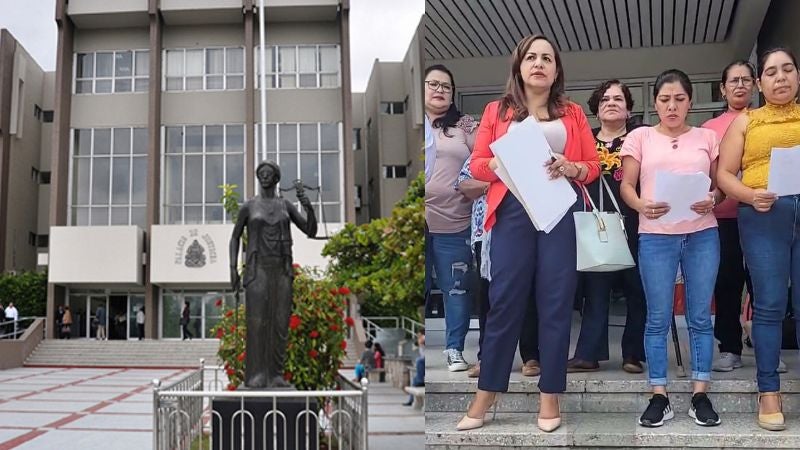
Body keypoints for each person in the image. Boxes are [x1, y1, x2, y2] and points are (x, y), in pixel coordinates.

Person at [462, 34, 600, 433]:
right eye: (531, 57)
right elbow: (477, 163)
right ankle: (487, 391)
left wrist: (571, 166)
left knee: (556, 301)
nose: (539, 63)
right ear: (519, 66)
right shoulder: (497, 110)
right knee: (504, 301)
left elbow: (592, 166)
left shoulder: (572, 113)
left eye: (547, 58)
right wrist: (505, 160)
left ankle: (550, 392)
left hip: (559, 211)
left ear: (556, 71)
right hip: (512, 211)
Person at [620, 69, 723, 428]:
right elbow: (627, 185)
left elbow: (720, 185)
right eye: (664, 99)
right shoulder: (640, 136)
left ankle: (700, 393)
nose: (672, 106)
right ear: (655, 103)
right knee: (658, 317)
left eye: (679, 99)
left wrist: (714, 198)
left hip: (702, 233)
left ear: (690, 102)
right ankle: (658, 394)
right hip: (656, 234)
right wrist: (640, 205)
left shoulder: (707, 137)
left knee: (700, 316)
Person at [717, 47, 800, 432]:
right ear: (760, 83)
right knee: (769, 303)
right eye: (771, 72)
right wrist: (750, 196)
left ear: (797, 77)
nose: (780, 77)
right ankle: (769, 391)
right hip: (764, 213)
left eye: (788, 69)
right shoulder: (746, 121)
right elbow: (724, 175)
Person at [568, 79, 647, 374]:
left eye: (618, 99)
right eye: (605, 100)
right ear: (596, 109)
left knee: (637, 289)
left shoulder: (641, 139)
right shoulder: (584, 140)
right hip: (596, 225)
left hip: (636, 222)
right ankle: (588, 354)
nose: (611, 103)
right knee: (595, 290)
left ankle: (633, 354)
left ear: (628, 109)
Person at [457, 161, 541, 380]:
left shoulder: (528, 152)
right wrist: (494, 186)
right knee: (488, 297)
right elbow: (464, 184)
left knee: (528, 293)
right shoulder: (481, 154)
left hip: (523, 231)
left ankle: (531, 356)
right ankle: (487, 357)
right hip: (486, 234)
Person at [702, 61, 756, 373]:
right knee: (726, 282)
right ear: (722, 89)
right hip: (723, 217)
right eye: (733, 81)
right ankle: (729, 348)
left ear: (755, 85)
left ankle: (765, 346)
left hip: (763, 215)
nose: (740, 85)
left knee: (762, 284)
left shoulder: (764, 119)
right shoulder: (710, 128)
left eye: (746, 80)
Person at [424, 64, 478, 372]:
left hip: (456, 223)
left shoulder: (465, 125)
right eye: (433, 84)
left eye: (446, 86)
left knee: (456, 289)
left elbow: (485, 161)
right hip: (417, 225)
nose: (439, 90)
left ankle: (454, 349)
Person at [403, 329, 426, 406]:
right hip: (423, 364)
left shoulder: (424, 338)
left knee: (419, 360)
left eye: (418, 334)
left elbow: (422, 341)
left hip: (425, 361)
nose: (417, 336)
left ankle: (420, 379)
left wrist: (421, 339)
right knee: (414, 382)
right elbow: (415, 346)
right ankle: (410, 401)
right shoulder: (420, 340)